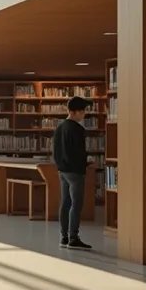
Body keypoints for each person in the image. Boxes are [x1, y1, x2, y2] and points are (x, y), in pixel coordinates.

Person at [52, 96, 92, 250]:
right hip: (75, 171)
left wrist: (60, 165)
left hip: (62, 170)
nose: (84, 115)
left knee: (65, 202)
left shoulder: (59, 127)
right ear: (76, 112)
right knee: (76, 204)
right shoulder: (77, 129)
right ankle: (73, 237)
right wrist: (86, 162)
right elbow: (79, 152)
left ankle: (64, 236)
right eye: (83, 112)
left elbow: (56, 150)